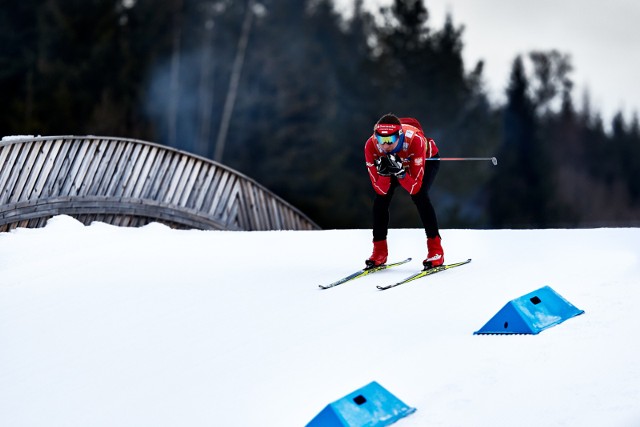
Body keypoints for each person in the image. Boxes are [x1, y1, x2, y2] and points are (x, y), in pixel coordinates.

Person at [364, 113, 444, 269]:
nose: (384, 146)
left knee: (420, 197)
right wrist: (385, 173)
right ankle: (379, 252)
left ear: (399, 136)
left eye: (390, 140)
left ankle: (436, 251)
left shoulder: (416, 141)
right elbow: (380, 190)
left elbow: (414, 188)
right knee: (380, 201)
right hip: (398, 163)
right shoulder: (371, 145)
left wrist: (401, 173)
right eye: (381, 140)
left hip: (425, 160)